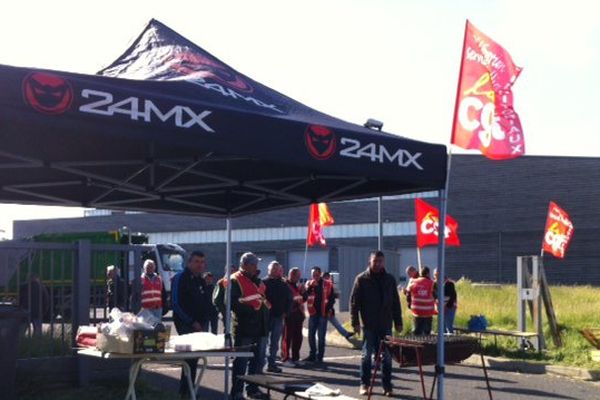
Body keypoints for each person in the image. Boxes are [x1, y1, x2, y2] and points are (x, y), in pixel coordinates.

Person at [350, 250, 402, 397]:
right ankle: (364, 384)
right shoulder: (361, 279)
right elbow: (354, 303)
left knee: (387, 357)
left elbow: (395, 302)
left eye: (380, 261)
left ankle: (387, 386)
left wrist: (398, 322)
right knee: (366, 356)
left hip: (386, 325)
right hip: (369, 325)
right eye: (375, 261)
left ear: (383, 262)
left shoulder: (389, 279)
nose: (378, 264)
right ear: (370, 262)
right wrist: (355, 323)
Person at [230, 252, 271, 400]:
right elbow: (233, 303)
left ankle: (253, 389)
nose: (256, 267)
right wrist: (252, 311)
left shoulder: (257, 281)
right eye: (254, 264)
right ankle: (237, 392)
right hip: (245, 328)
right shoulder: (235, 280)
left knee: (258, 361)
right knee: (241, 362)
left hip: (260, 327)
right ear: (245, 265)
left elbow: (262, 301)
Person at [171, 250, 212, 397]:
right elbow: (175, 304)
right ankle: (185, 392)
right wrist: (191, 321)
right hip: (185, 323)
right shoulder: (180, 277)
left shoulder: (200, 280)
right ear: (189, 263)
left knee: (194, 359)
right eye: (196, 261)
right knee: (189, 358)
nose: (200, 265)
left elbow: (205, 302)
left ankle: (189, 389)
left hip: (200, 324)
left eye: (202, 262)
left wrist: (203, 322)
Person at [263, 261, 292, 373]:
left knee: (274, 343)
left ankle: (271, 364)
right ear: (269, 270)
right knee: (263, 342)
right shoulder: (263, 282)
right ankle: (261, 364)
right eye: (273, 268)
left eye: (277, 268)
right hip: (265, 317)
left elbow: (290, 299)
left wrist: (286, 312)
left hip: (279, 317)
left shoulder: (283, 284)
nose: (276, 270)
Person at [303, 266, 335, 364]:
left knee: (321, 336)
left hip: (323, 313)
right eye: (313, 275)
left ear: (320, 274)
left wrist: (329, 308)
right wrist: (310, 287)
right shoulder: (308, 283)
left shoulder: (328, 284)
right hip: (313, 313)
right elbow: (304, 296)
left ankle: (320, 356)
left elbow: (332, 298)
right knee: (311, 335)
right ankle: (312, 355)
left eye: (317, 274)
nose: (315, 276)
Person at [281, 267, 305, 367]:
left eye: (299, 276)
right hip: (289, 314)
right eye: (297, 276)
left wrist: (304, 292)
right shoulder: (285, 285)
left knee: (298, 337)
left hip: (298, 314)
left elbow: (303, 299)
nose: (298, 278)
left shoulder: (298, 286)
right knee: (287, 337)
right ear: (291, 275)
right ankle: (285, 358)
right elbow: (285, 299)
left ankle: (296, 357)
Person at [323, 272, 354, 340]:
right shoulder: (323, 286)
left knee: (334, 323)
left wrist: (330, 308)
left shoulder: (329, 285)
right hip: (324, 310)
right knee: (324, 325)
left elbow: (332, 298)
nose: (330, 279)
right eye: (328, 277)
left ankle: (345, 334)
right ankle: (322, 339)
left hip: (328, 309)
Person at [407, 266, 436, 335]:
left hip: (416, 311)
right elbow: (435, 295)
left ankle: (416, 342)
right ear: (428, 274)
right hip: (428, 311)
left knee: (417, 332)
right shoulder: (431, 283)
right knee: (426, 333)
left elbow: (407, 293)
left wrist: (410, 303)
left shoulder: (413, 281)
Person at [212, 264, 239, 332]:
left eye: (233, 270)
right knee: (227, 331)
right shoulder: (221, 282)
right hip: (226, 313)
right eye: (230, 270)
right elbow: (216, 300)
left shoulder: (238, 283)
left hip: (237, 313)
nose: (231, 272)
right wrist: (224, 311)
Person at [434, 268, 458, 334]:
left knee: (448, 326)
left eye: (436, 275)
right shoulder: (436, 284)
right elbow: (435, 296)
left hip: (450, 307)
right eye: (435, 275)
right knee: (442, 327)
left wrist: (445, 307)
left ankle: (451, 342)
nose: (435, 277)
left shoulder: (449, 284)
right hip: (441, 308)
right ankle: (444, 342)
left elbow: (450, 297)